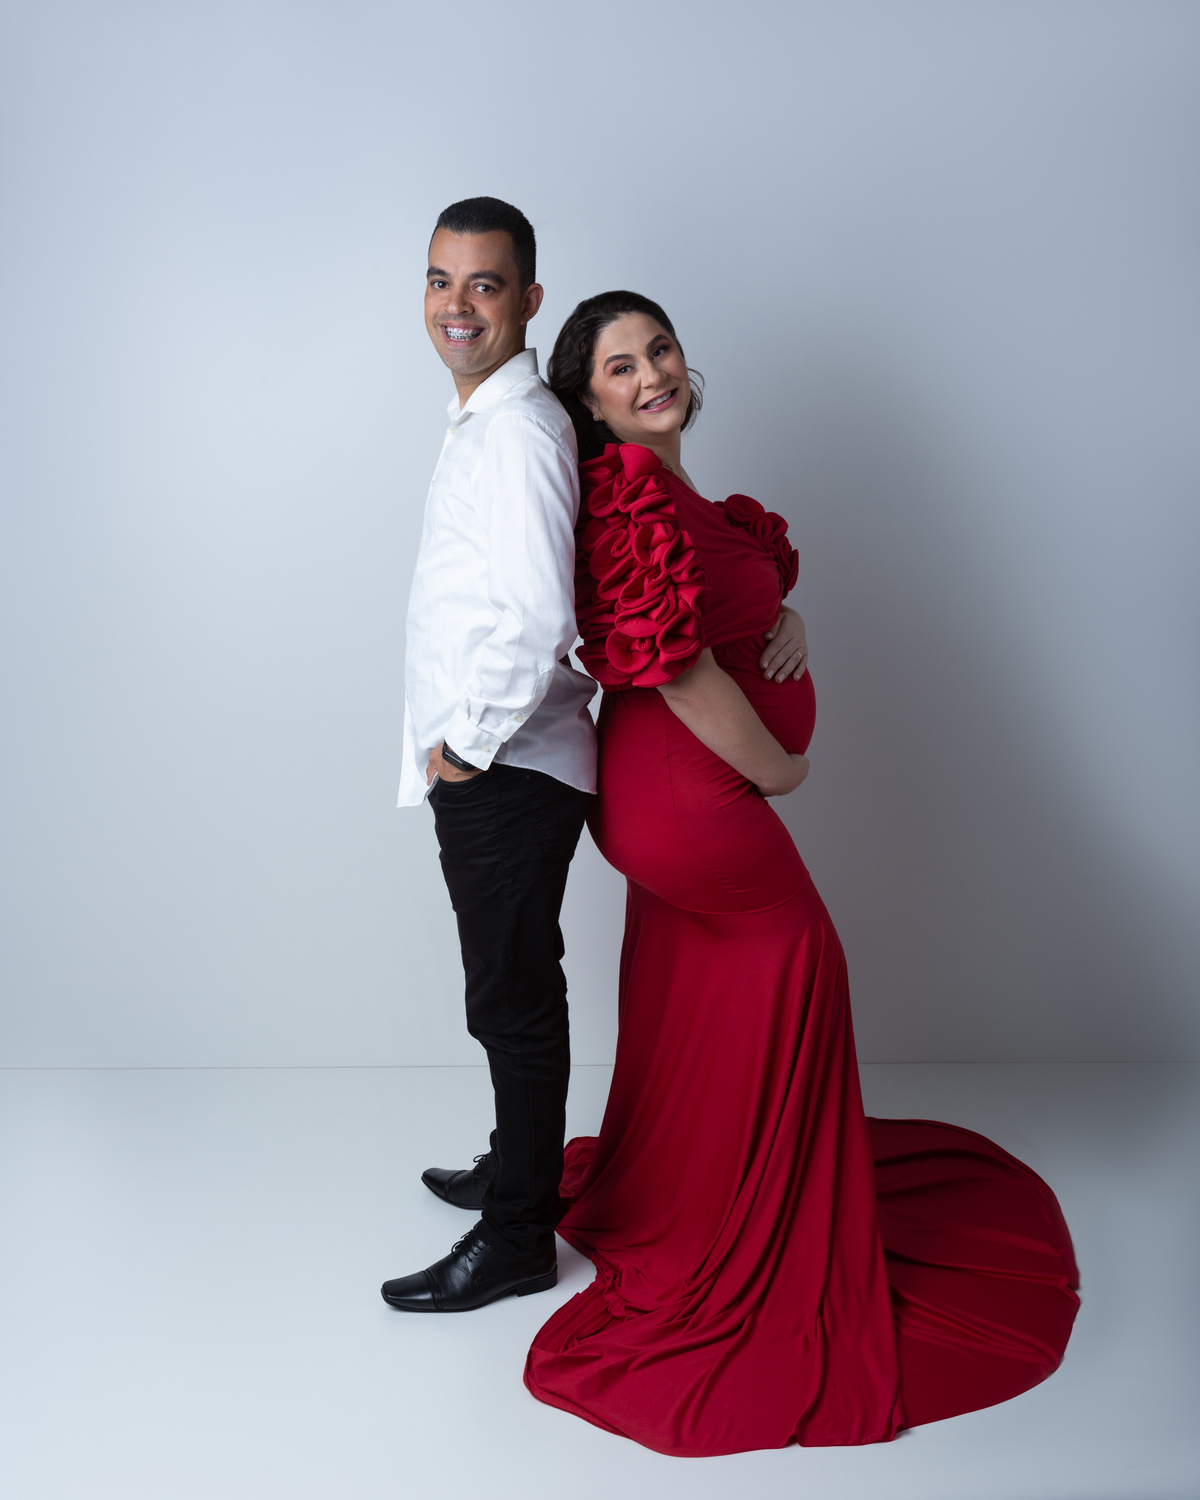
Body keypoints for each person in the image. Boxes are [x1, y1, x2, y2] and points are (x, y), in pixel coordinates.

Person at [522, 291, 1080, 1455]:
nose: (651, 375)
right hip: (689, 798)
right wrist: (781, 767)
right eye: (620, 367)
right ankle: (760, 1230)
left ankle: (692, 1186)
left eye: (660, 349)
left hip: (666, 799)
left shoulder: (679, 496)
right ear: (590, 402)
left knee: (701, 990)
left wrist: (793, 621)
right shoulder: (627, 497)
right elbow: (677, 673)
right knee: (801, 961)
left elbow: (723, 607)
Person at [380, 200, 597, 1313]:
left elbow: (537, 617)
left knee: (512, 1002)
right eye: (440, 280)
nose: (456, 306)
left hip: (507, 768)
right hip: (496, 766)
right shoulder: (487, 417)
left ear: (529, 299)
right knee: (508, 990)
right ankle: (517, 1171)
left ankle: (518, 1239)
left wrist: (463, 748)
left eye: (485, 283)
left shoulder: (516, 431)